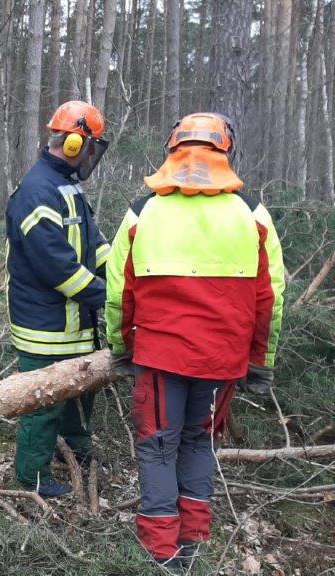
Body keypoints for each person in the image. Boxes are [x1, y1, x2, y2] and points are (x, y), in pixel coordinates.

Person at [105, 113, 284, 571]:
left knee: (157, 445)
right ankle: (192, 542)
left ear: (172, 149)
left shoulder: (143, 212)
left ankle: (160, 552)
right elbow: (270, 297)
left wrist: (121, 345)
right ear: (226, 151)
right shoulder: (251, 214)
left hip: (160, 354)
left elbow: (119, 290)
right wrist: (260, 359)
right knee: (199, 441)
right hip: (222, 357)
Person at [4, 101, 112, 498]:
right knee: (44, 402)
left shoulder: (67, 187)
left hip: (73, 322)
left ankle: (76, 449)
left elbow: (93, 244)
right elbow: (59, 268)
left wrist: (122, 272)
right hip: (45, 325)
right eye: (89, 147)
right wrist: (111, 296)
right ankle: (31, 475)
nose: (90, 156)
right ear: (72, 145)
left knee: (81, 390)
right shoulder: (37, 192)